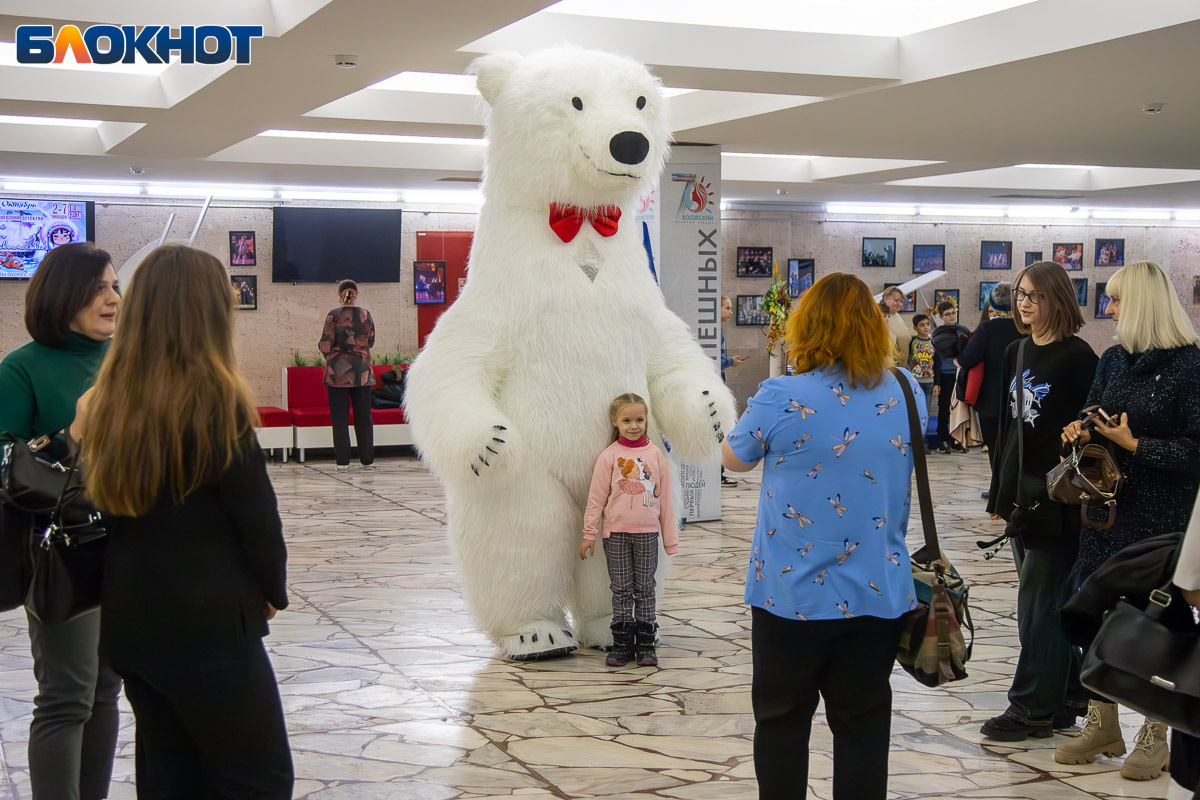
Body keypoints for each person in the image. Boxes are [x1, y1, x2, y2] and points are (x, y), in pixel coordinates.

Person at [78, 243, 293, 796]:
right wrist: (272, 590)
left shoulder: (105, 405)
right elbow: (257, 521)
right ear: (209, 315)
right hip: (213, 626)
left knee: (167, 771)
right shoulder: (217, 404)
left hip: (132, 623)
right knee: (257, 776)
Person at [724, 273, 924, 800]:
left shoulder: (780, 394)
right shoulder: (906, 391)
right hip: (878, 592)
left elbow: (734, 460)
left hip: (790, 596)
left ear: (805, 326)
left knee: (781, 722)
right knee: (863, 727)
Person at [1055, 260, 1200, 776]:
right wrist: (1081, 429)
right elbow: (1095, 411)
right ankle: (1101, 720)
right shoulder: (1114, 358)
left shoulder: (1190, 365)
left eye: (1115, 301)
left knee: (1155, 622)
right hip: (1105, 513)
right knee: (1098, 612)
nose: (1108, 310)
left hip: (1161, 520)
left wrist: (1134, 444)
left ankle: (1155, 732)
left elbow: (1194, 452)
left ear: (1141, 304)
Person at [0, 242, 122, 800]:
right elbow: (7, 471)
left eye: (116, 286)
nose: (113, 298)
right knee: (68, 693)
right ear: (62, 294)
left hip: (130, 543)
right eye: (99, 287)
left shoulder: (130, 359)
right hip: (60, 550)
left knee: (104, 690)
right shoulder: (21, 369)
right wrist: (72, 434)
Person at [980, 261, 1098, 742]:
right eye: (1018, 293)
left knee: (1039, 606)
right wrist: (1001, 493)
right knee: (1045, 602)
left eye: (1033, 295)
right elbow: (1010, 432)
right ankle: (1069, 693)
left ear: (1056, 299)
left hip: (1060, 498)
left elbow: (1091, 435)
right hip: (1022, 498)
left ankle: (1030, 709)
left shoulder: (1079, 358)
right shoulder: (1015, 350)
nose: (1023, 303)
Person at [579, 393, 677, 667]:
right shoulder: (609, 456)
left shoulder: (655, 455)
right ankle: (621, 643)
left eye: (639, 420)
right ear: (615, 421)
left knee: (645, 588)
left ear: (646, 421)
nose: (634, 425)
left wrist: (669, 540)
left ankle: (646, 642)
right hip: (616, 536)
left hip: (647, 534)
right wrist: (589, 533)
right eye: (627, 420)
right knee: (621, 589)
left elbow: (665, 500)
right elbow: (596, 498)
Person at [957, 282, 1021, 464]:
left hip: (991, 399)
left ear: (992, 304)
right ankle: (1012, 488)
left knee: (994, 445)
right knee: (1015, 445)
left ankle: (997, 488)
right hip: (1021, 396)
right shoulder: (1026, 327)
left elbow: (966, 359)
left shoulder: (987, 329)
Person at [319, 279, 376, 471]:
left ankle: (342, 462)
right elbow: (372, 340)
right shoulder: (365, 314)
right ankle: (366, 459)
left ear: (339, 295)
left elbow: (325, 344)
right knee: (363, 417)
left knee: (339, 418)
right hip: (362, 371)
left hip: (338, 373)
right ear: (356, 294)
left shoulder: (332, 316)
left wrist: (332, 354)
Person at [932, 301, 970, 453]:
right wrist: (937, 382)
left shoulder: (964, 330)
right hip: (945, 375)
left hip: (961, 374)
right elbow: (936, 360)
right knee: (944, 409)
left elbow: (970, 353)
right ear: (941, 317)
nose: (952, 316)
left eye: (953, 312)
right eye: (947, 314)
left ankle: (957, 440)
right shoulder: (937, 334)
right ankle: (942, 439)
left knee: (959, 408)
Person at [719, 296, 747, 487]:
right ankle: (717, 473)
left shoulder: (718, 331)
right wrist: (730, 362)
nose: (731, 312)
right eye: (727, 308)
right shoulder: (716, 332)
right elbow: (715, 359)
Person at [881, 286, 911, 366]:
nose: (900, 304)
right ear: (886, 299)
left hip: (901, 367)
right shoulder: (879, 317)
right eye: (896, 300)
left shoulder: (897, 316)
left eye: (901, 301)